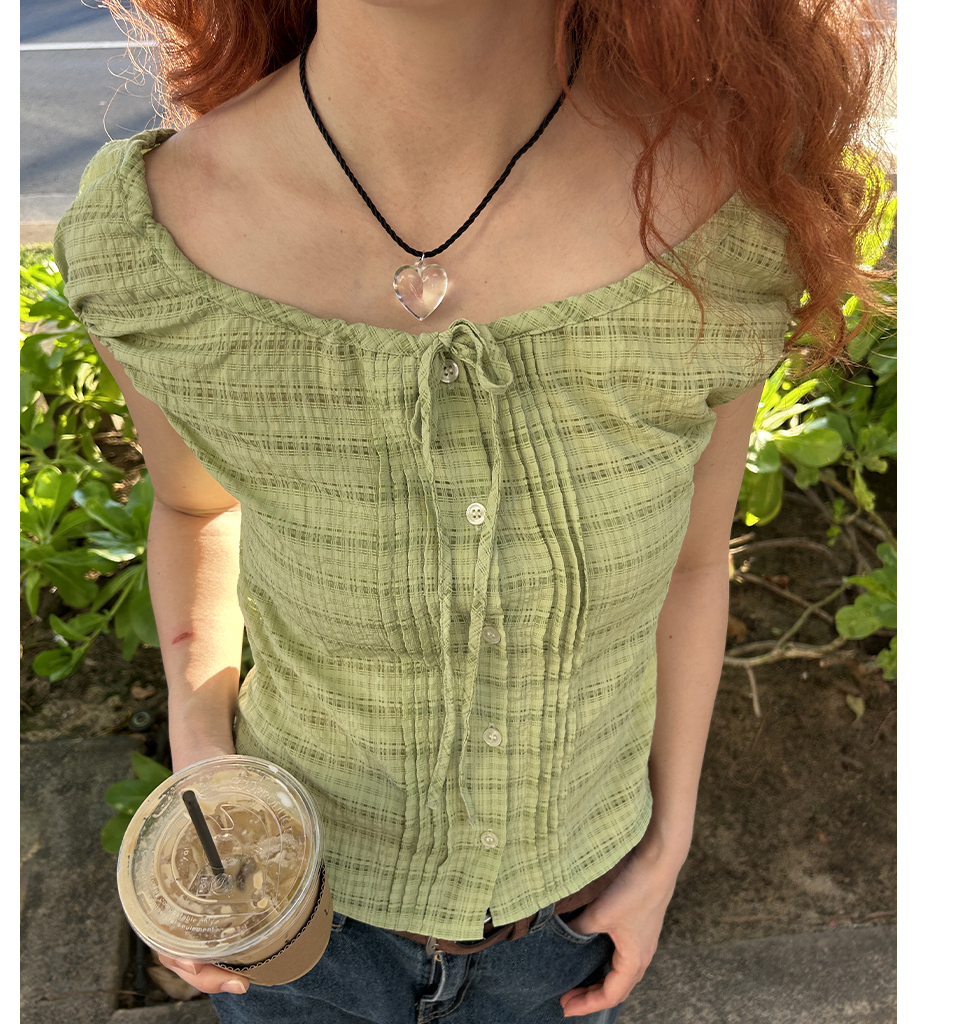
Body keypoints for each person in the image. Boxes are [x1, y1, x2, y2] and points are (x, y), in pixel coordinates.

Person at [54, 1, 891, 1020]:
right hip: (285, 914)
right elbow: (196, 512)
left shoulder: (724, 222)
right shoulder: (152, 239)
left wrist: (667, 843)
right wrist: (201, 752)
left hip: (573, 926)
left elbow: (692, 562)